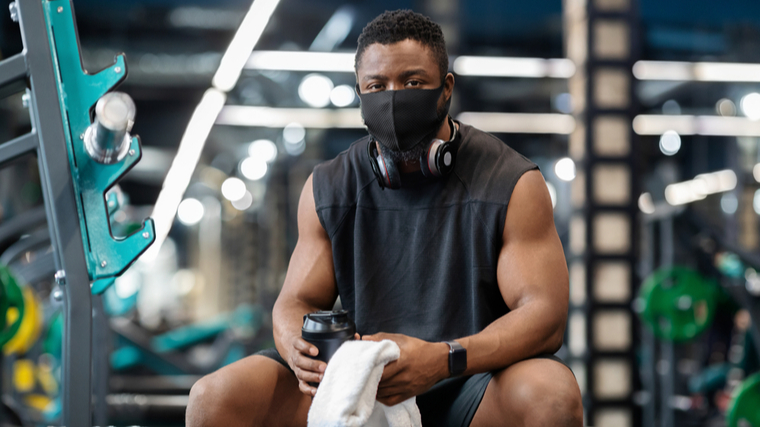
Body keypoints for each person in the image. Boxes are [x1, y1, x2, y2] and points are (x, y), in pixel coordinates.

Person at [186, 9, 583, 427]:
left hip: (472, 380)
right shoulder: (330, 186)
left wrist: (444, 358)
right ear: (360, 94)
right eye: (376, 86)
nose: (392, 99)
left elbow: (544, 315)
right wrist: (294, 346)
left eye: (412, 83)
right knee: (214, 397)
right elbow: (295, 302)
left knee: (550, 395)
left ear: (445, 89)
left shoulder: (510, 181)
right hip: (364, 382)